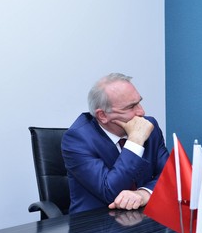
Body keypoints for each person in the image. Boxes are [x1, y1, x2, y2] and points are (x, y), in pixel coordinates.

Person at [62, 73, 169, 214]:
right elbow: (109, 192)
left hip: (143, 217)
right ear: (102, 115)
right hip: (96, 221)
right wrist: (135, 141)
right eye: (131, 107)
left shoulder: (149, 126)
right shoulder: (77, 139)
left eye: (139, 102)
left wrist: (144, 193)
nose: (141, 112)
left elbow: (170, 175)